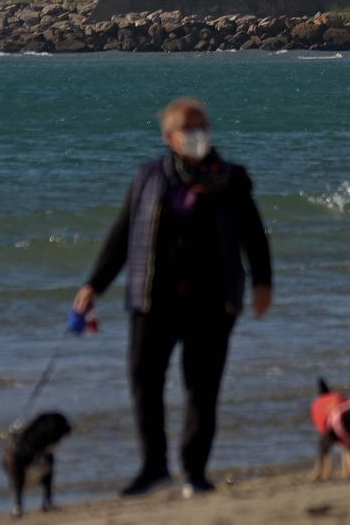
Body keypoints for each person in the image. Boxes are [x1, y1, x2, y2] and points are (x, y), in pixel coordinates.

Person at [72, 98, 272, 498]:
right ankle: (154, 468)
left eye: (203, 126)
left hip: (212, 300)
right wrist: (94, 285)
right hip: (153, 300)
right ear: (169, 137)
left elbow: (253, 233)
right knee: (144, 383)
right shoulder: (148, 177)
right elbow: (122, 235)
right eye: (189, 128)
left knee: (202, 387)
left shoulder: (231, 179)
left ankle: (195, 472)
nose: (198, 134)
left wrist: (263, 282)